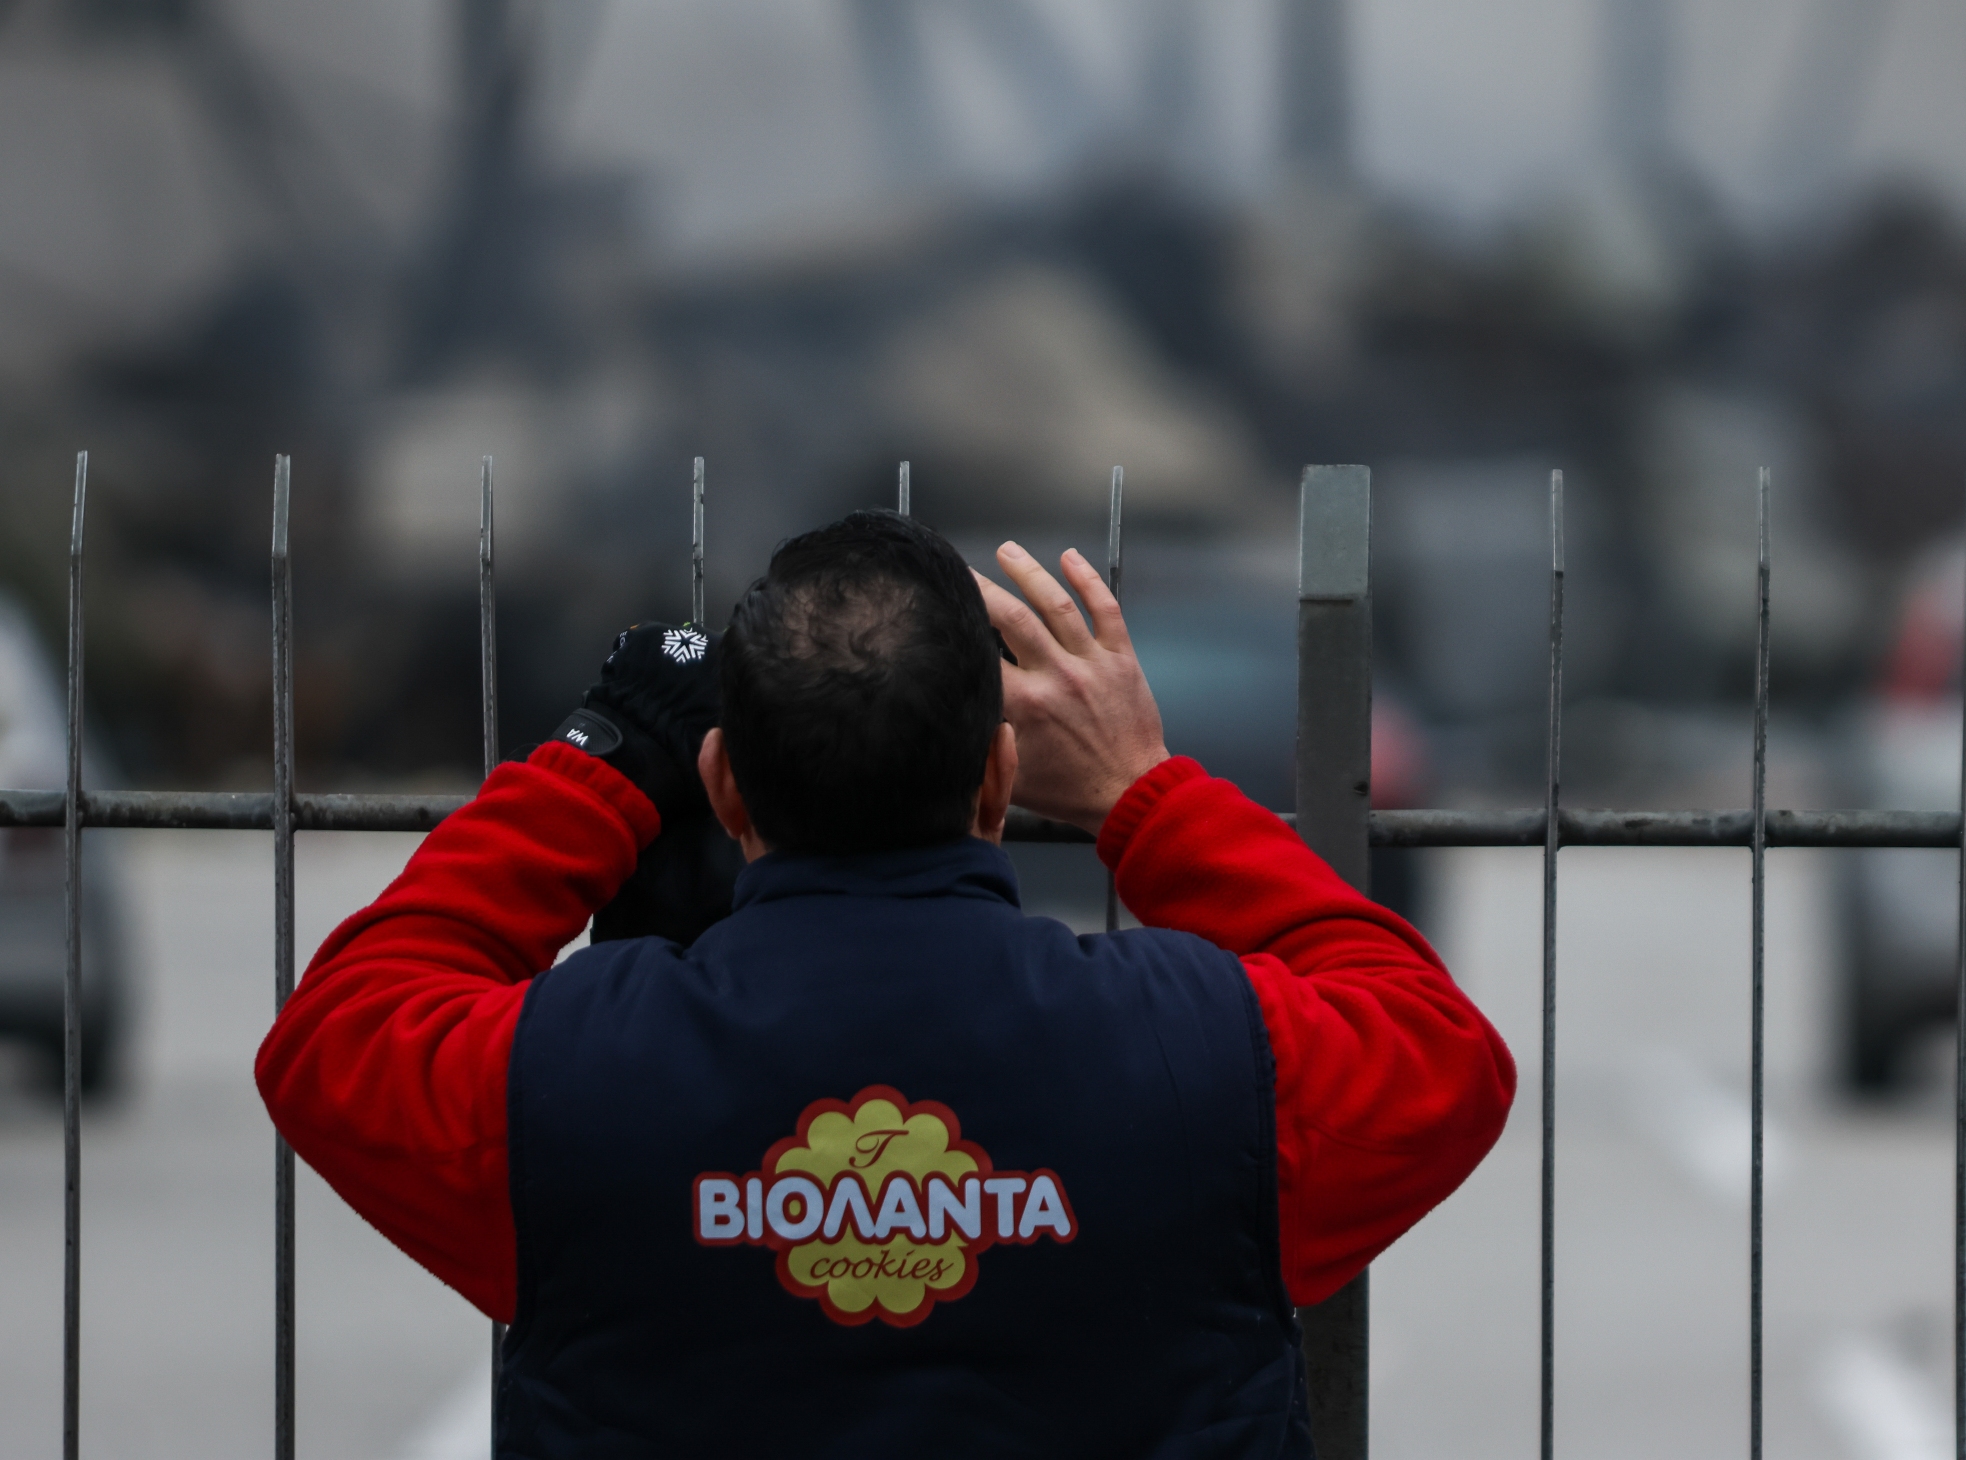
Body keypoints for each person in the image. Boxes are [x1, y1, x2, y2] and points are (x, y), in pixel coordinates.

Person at [257, 511, 1514, 1458]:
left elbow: (335, 1036)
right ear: (999, 781)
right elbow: (1441, 1054)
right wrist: (1146, 791)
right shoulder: (1197, 1052)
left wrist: (599, 768)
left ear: (728, 787)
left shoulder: (574, 1070)